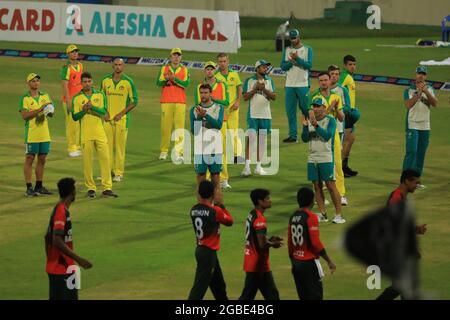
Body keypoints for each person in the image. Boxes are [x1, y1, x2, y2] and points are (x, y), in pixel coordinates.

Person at [376, 169, 427, 300]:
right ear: (406, 181)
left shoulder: (402, 198)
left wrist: (416, 229)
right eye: (416, 182)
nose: (417, 185)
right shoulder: (397, 198)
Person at [45, 178, 93, 300]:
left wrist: (50, 259)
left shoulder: (61, 209)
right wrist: (80, 260)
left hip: (66, 268)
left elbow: (46, 237)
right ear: (72, 192)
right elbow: (56, 240)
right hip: (61, 270)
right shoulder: (61, 211)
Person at [72, 72, 117, 198]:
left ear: (92, 82)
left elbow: (104, 112)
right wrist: (84, 110)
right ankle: (91, 188)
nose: (87, 84)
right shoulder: (77, 98)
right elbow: (75, 117)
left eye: (89, 81)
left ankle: (107, 187)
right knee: (87, 163)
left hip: (100, 133)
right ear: (81, 83)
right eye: (85, 81)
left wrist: (93, 108)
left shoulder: (100, 94)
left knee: (106, 160)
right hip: (86, 134)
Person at [301, 98, 345, 224]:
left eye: (318, 106)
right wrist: (305, 127)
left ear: (324, 108)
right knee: (317, 186)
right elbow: (305, 139)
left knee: (331, 186)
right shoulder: (310, 120)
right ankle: (322, 213)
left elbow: (327, 136)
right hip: (312, 157)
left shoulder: (330, 120)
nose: (315, 108)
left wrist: (315, 125)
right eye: (313, 106)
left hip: (326, 157)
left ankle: (338, 215)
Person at [188, 180, 234, 300]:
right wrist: (221, 205)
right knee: (199, 288)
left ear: (199, 193)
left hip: (201, 250)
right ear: (212, 194)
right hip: (208, 253)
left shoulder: (193, 210)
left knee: (219, 285)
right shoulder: (215, 211)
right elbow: (229, 221)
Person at [288, 187, 336, 300]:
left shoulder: (293, 216)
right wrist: (329, 261)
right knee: (315, 296)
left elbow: (290, 243)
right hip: (308, 263)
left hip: (296, 262)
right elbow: (315, 243)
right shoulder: (311, 217)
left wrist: (293, 262)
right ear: (311, 200)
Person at [311, 71, 348, 206]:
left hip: (334, 135)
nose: (324, 82)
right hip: (319, 135)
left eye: (325, 80)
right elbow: (313, 117)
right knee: (319, 165)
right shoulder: (314, 97)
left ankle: (341, 194)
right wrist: (329, 109)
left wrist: (337, 109)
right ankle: (319, 196)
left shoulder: (336, 96)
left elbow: (342, 118)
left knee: (337, 164)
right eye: (321, 80)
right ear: (318, 82)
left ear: (329, 80)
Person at [239, 189, 282, 300]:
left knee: (272, 296)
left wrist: (271, 239)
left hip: (256, 263)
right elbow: (262, 244)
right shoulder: (260, 219)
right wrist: (273, 244)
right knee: (247, 297)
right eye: (267, 198)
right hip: (257, 264)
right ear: (260, 201)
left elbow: (256, 238)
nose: (270, 201)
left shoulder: (252, 213)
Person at [194, 61, 231, 189]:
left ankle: (223, 179)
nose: (209, 71)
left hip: (221, 121)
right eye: (207, 69)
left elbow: (226, 102)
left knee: (222, 151)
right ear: (204, 71)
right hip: (203, 127)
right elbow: (197, 103)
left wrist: (214, 100)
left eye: (211, 69)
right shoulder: (199, 86)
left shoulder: (222, 85)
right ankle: (206, 181)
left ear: (215, 70)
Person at [101, 58, 138, 182]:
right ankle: (107, 172)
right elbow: (100, 98)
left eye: (120, 65)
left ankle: (119, 173)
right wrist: (104, 112)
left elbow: (134, 101)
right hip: (107, 120)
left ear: (123, 67)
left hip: (122, 120)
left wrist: (121, 114)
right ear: (112, 66)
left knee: (120, 148)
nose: (118, 67)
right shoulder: (105, 81)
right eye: (116, 65)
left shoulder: (128, 82)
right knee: (106, 148)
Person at [402, 66, 438, 189]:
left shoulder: (431, 89)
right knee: (411, 151)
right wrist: (419, 93)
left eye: (423, 74)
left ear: (426, 76)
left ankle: (416, 180)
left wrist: (426, 91)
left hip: (425, 125)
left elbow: (435, 104)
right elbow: (408, 105)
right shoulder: (409, 90)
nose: (421, 76)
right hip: (412, 124)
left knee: (421, 153)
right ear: (415, 74)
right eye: (419, 73)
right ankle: (405, 180)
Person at [20, 73, 54, 197]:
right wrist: (40, 109)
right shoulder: (25, 98)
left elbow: (51, 112)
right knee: (29, 159)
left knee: (42, 159)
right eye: (33, 81)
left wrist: (49, 111)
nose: (36, 83)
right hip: (31, 134)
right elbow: (25, 116)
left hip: (44, 133)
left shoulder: (45, 96)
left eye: (37, 81)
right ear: (28, 83)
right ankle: (29, 188)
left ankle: (39, 186)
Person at [241, 60, 276, 176]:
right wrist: (255, 89)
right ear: (257, 68)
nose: (266, 69)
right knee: (250, 139)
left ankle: (258, 167)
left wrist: (264, 89)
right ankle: (246, 167)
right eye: (263, 67)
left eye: (266, 67)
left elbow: (274, 96)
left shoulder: (269, 81)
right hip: (253, 115)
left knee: (262, 140)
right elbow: (245, 97)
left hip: (265, 115)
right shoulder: (249, 81)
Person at [156, 48, 190, 161]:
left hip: (180, 101)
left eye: (178, 55)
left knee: (179, 128)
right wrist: (167, 81)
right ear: (170, 57)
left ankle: (178, 152)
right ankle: (164, 151)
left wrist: (174, 79)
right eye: (174, 55)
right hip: (166, 101)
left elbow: (186, 84)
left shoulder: (184, 70)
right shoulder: (164, 68)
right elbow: (158, 82)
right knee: (165, 127)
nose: (176, 58)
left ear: (181, 57)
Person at [190, 83, 224, 191]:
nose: (203, 95)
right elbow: (195, 131)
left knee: (215, 177)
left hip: (215, 147)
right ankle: (202, 206)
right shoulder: (194, 110)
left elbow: (218, 126)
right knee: (201, 178)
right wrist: (199, 118)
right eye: (201, 93)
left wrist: (206, 115)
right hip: (200, 148)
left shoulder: (218, 108)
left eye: (205, 93)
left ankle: (216, 206)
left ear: (211, 93)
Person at [280, 28, 313, 143]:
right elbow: (283, 67)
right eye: (291, 38)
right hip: (289, 85)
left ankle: (307, 131)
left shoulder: (307, 49)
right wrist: (291, 62)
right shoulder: (287, 49)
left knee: (306, 110)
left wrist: (297, 59)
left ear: (299, 37)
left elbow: (309, 65)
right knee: (290, 112)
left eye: (295, 38)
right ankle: (293, 136)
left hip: (303, 84)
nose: (293, 41)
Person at [215, 53, 243, 164]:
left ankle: (237, 155)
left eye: (224, 61)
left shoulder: (234, 75)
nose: (222, 64)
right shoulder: (216, 77)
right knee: (221, 133)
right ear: (218, 63)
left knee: (234, 131)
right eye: (220, 62)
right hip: (221, 109)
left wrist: (238, 101)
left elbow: (239, 88)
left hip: (233, 108)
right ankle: (221, 154)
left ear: (228, 61)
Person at [339, 55, 361, 177]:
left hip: (351, 113)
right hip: (346, 113)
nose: (353, 66)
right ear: (345, 65)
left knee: (351, 140)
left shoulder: (350, 77)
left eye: (354, 64)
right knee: (345, 141)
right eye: (350, 64)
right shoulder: (345, 76)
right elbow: (336, 89)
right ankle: (340, 169)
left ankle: (344, 166)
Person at [61, 44, 83, 157]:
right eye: (72, 52)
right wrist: (69, 102)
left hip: (79, 101)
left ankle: (77, 145)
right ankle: (71, 148)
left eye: (76, 51)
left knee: (78, 124)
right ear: (68, 54)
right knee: (71, 125)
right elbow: (64, 86)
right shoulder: (66, 68)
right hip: (69, 101)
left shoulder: (80, 66)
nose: (75, 53)